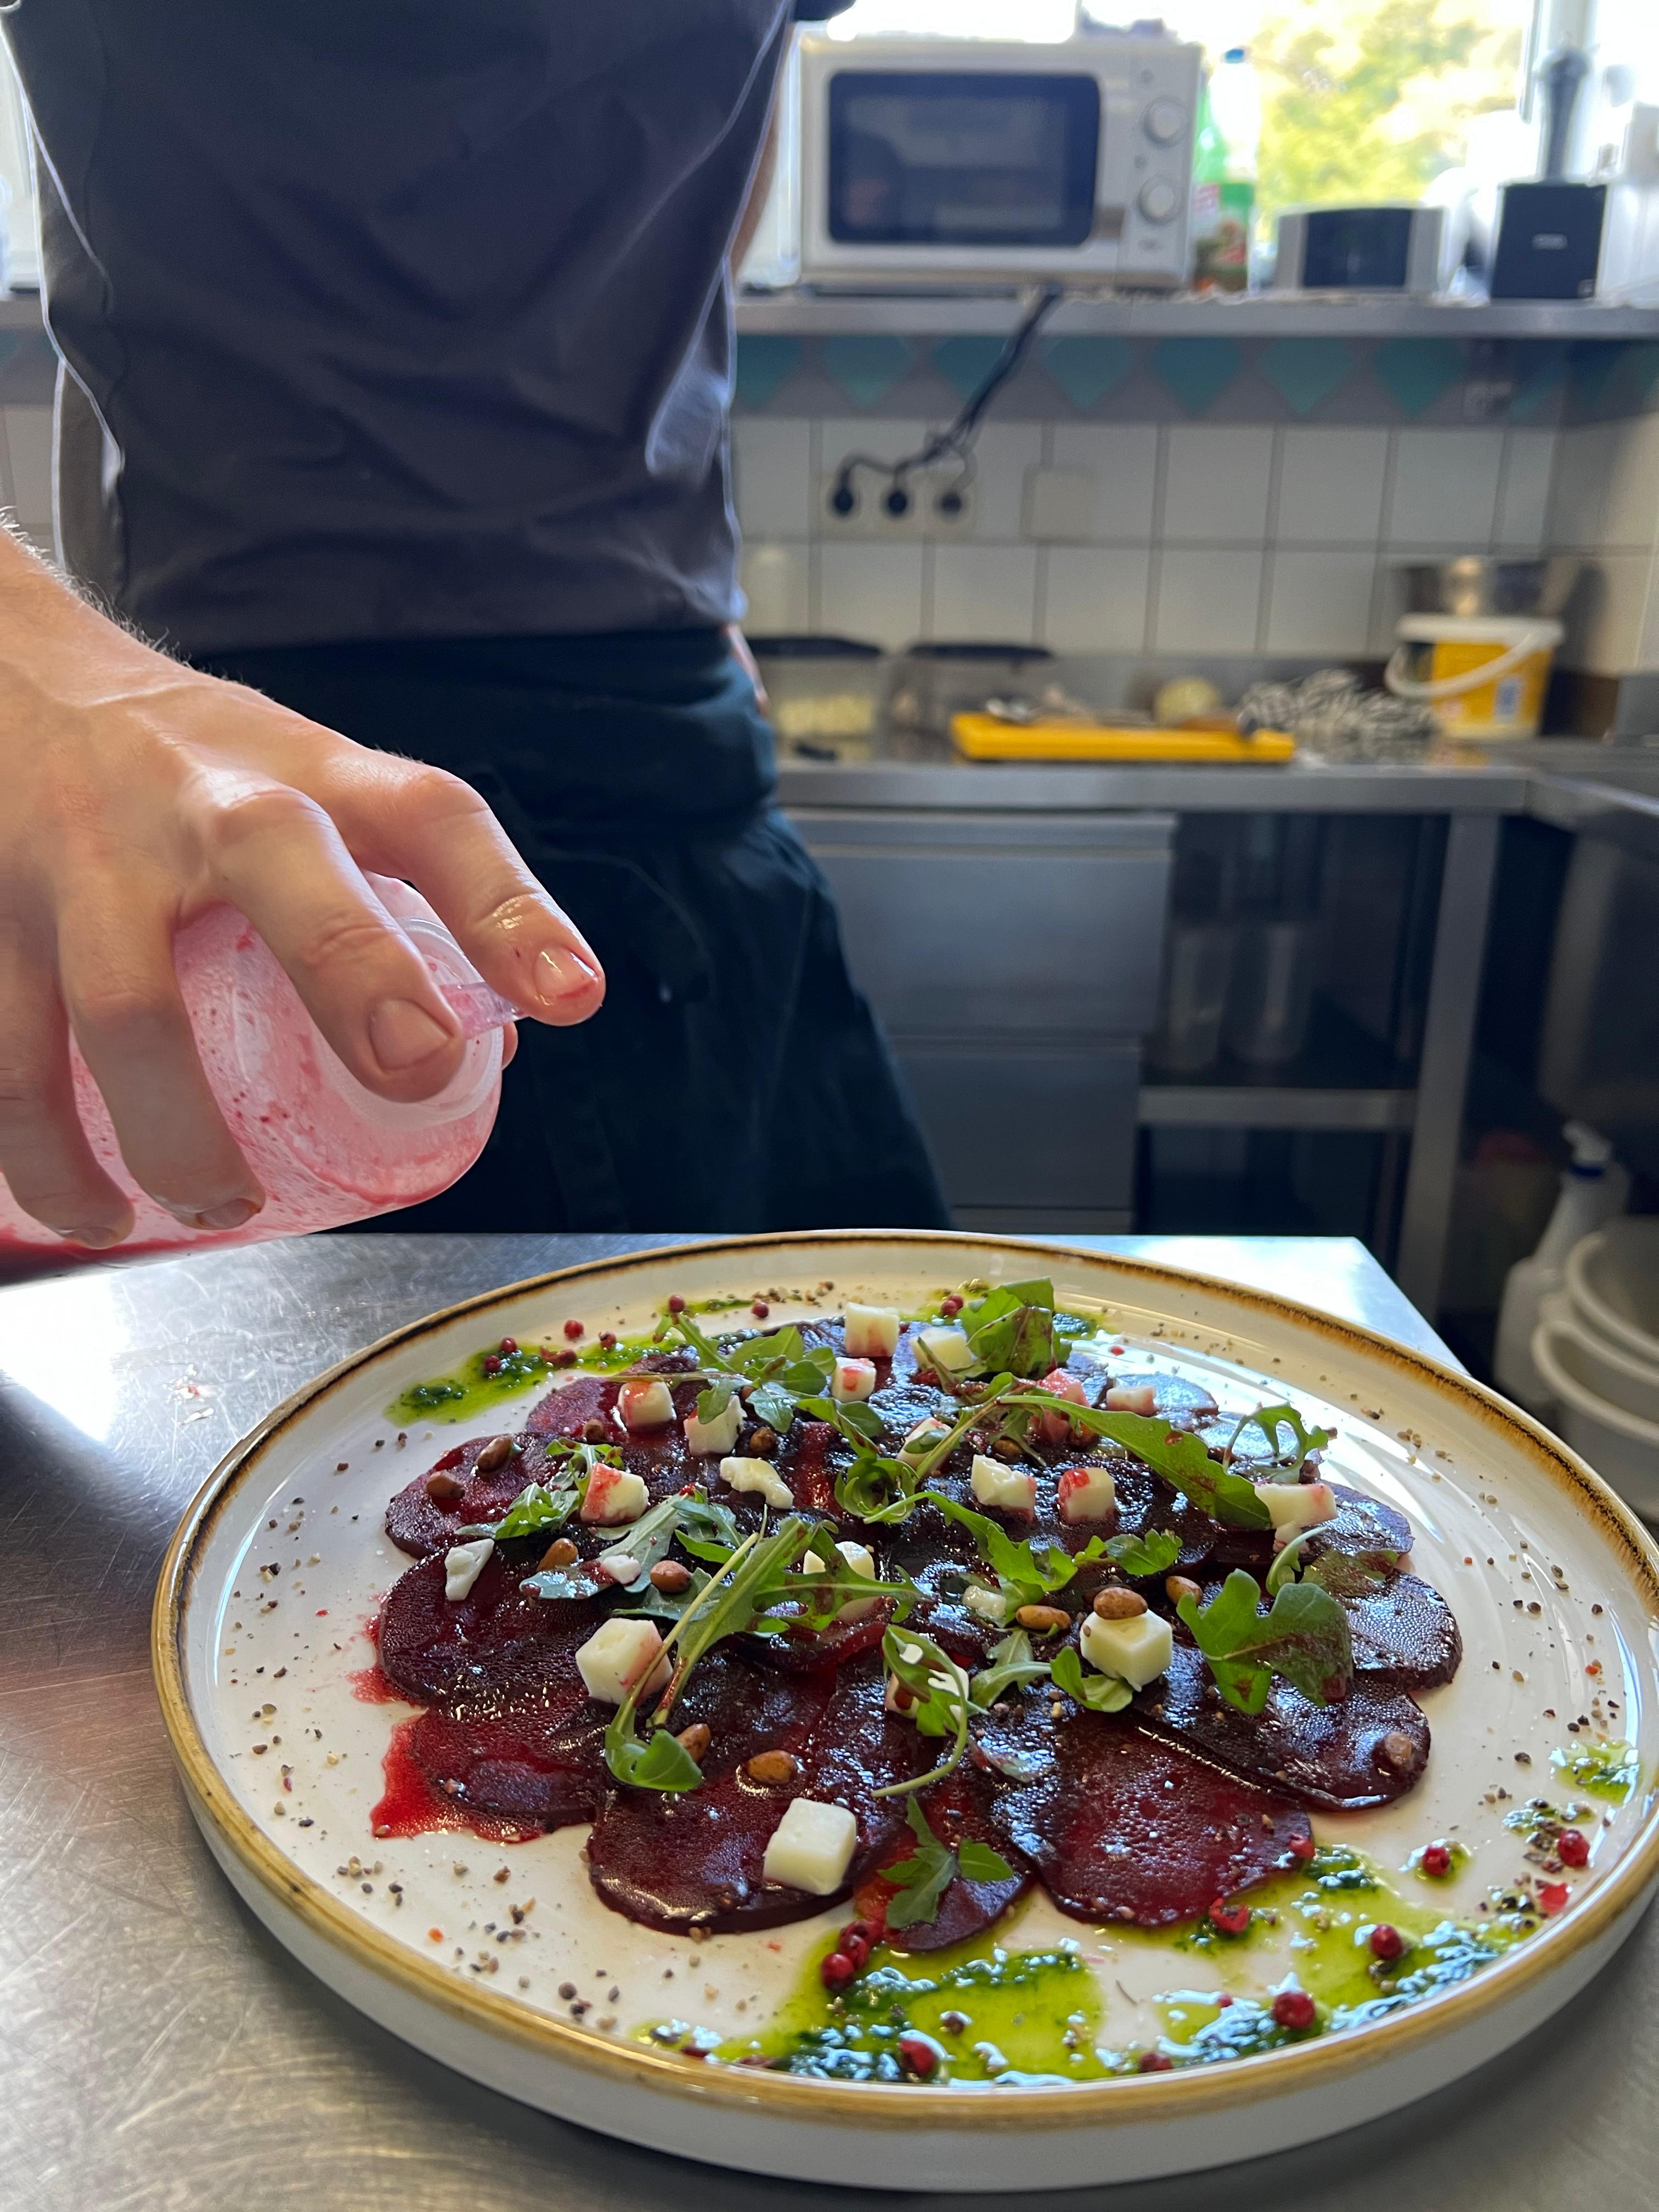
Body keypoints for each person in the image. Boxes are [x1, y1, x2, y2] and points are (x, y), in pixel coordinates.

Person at [0, 1, 948, 1251]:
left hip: (661, 739)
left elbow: (740, 81)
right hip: (222, 796)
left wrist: (645, 503)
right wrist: (24, 661)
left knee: (851, 1356)